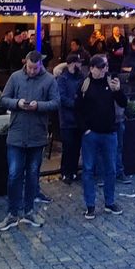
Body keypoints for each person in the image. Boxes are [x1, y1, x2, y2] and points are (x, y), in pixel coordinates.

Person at [0, 51, 59, 230]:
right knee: (14, 174)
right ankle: (12, 212)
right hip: (16, 134)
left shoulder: (48, 80)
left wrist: (38, 106)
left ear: (40, 65)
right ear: (25, 63)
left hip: (37, 136)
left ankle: (29, 210)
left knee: (32, 175)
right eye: (30, 67)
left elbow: (56, 103)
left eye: (35, 68)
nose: (32, 71)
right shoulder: (15, 77)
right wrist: (17, 103)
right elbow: (4, 99)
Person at [77, 55, 126, 219]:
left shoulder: (111, 83)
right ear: (91, 68)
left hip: (109, 132)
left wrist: (118, 91)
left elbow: (123, 103)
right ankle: (90, 205)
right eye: (100, 67)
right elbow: (78, 109)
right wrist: (85, 130)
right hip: (91, 134)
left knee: (110, 169)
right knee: (89, 169)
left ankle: (109, 202)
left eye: (105, 66)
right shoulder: (85, 85)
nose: (104, 70)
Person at [54, 54, 86, 183]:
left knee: (77, 146)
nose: (80, 65)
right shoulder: (62, 79)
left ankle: (73, 171)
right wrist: (76, 104)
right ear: (72, 64)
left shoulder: (81, 77)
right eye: (78, 63)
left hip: (78, 119)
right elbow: (61, 98)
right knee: (68, 147)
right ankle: (65, 172)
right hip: (67, 120)